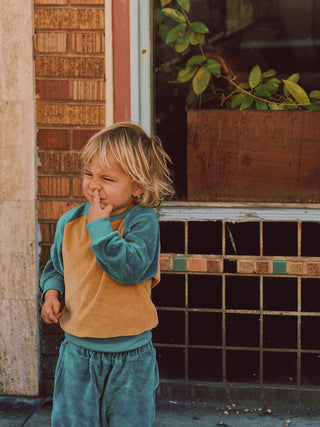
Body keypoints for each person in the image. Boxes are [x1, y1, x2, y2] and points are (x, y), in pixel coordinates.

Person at [40, 122, 174, 427]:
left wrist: (100, 227)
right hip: (78, 354)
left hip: (131, 356)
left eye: (107, 178)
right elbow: (56, 268)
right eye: (89, 174)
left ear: (138, 187)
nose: (94, 185)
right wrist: (51, 292)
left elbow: (131, 269)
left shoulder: (142, 221)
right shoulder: (70, 223)